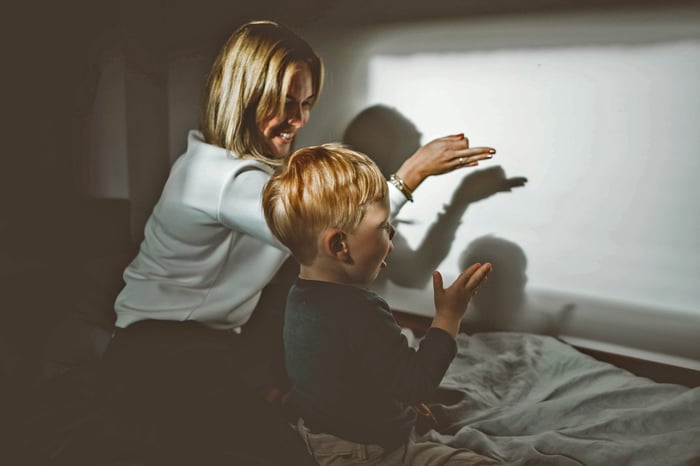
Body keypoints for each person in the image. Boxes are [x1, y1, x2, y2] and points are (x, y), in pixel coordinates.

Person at [100, 20, 497, 465]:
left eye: (307, 104)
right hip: (156, 347)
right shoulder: (219, 178)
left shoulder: (253, 172)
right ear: (244, 95)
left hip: (218, 340)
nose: (300, 120)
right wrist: (410, 175)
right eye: (287, 103)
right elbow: (334, 230)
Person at [262, 143, 500, 465]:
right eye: (383, 226)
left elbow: (340, 373)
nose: (393, 234)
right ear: (339, 245)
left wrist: (390, 399)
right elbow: (417, 383)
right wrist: (448, 316)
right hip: (367, 451)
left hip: (317, 436)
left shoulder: (297, 295)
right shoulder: (361, 312)